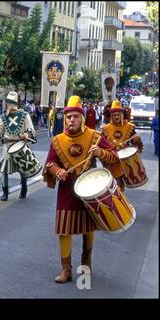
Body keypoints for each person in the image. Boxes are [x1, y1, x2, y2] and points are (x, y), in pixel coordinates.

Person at [42, 96, 122, 283]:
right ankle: (66, 269)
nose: (71, 120)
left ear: (82, 118)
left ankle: (86, 262)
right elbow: (48, 164)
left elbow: (114, 157)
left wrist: (101, 153)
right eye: (69, 117)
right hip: (66, 190)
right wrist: (57, 170)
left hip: (90, 188)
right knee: (63, 230)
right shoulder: (57, 140)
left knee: (88, 229)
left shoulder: (95, 136)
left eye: (76, 116)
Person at [0, 91, 36, 200]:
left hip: (20, 144)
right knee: (4, 170)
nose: (6, 105)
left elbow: (30, 129)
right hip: (7, 145)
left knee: (22, 169)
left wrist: (26, 134)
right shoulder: (4, 117)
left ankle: (24, 187)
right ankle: (5, 192)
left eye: (8, 103)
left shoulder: (24, 115)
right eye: (7, 103)